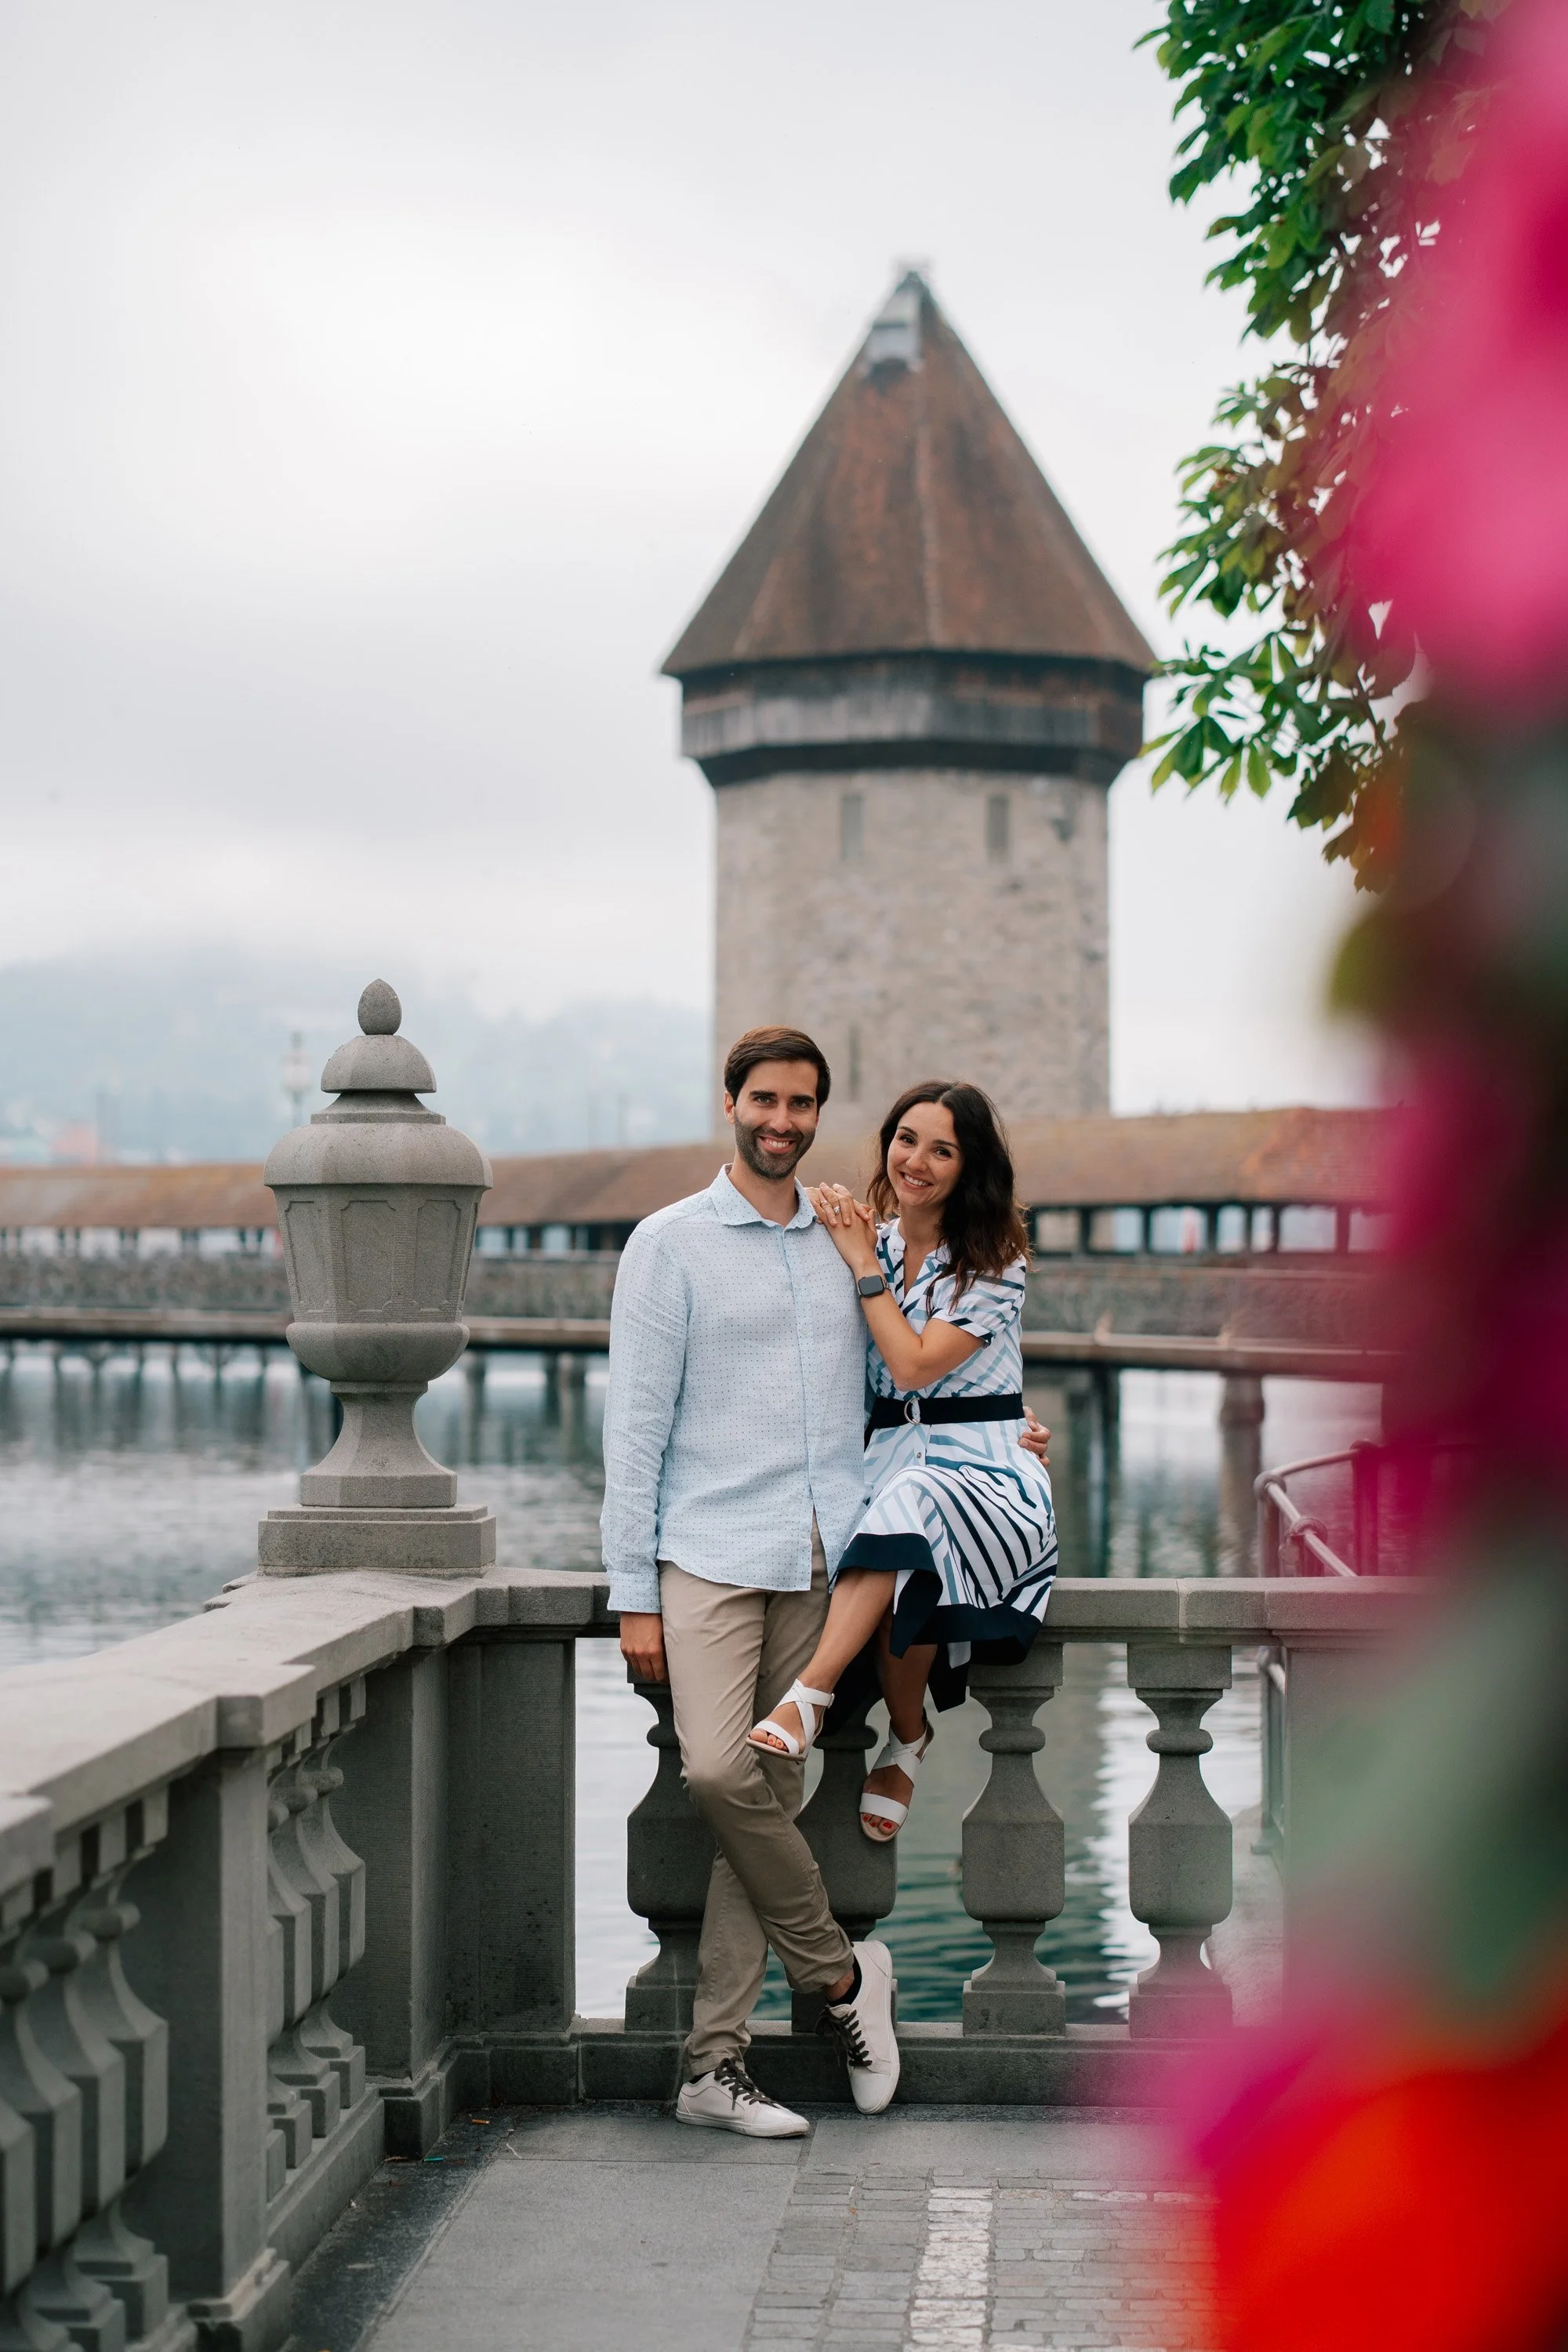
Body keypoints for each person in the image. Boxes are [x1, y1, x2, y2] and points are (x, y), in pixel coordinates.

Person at [601, 1029, 1047, 2139]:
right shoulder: (669, 1244)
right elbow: (634, 1429)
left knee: (773, 1791)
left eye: (802, 1104)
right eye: (765, 1099)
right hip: (707, 1550)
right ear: (732, 1104)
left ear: (818, 1114)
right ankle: (848, 1980)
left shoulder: (852, 1243)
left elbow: (913, 1375)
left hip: (830, 1550)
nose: (782, 1120)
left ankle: (715, 2066)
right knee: (718, 1772)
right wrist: (633, 1590)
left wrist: (1004, 1434)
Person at [748, 1080, 1057, 1849]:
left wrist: (860, 1263)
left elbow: (916, 1366)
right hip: (884, 1459)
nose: (916, 1161)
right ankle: (909, 1738)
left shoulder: (996, 1263)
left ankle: (808, 1695)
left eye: (942, 1150)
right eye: (906, 1139)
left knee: (911, 1500)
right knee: (895, 1523)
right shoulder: (865, 1236)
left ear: (968, 1167)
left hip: (986, 1467)